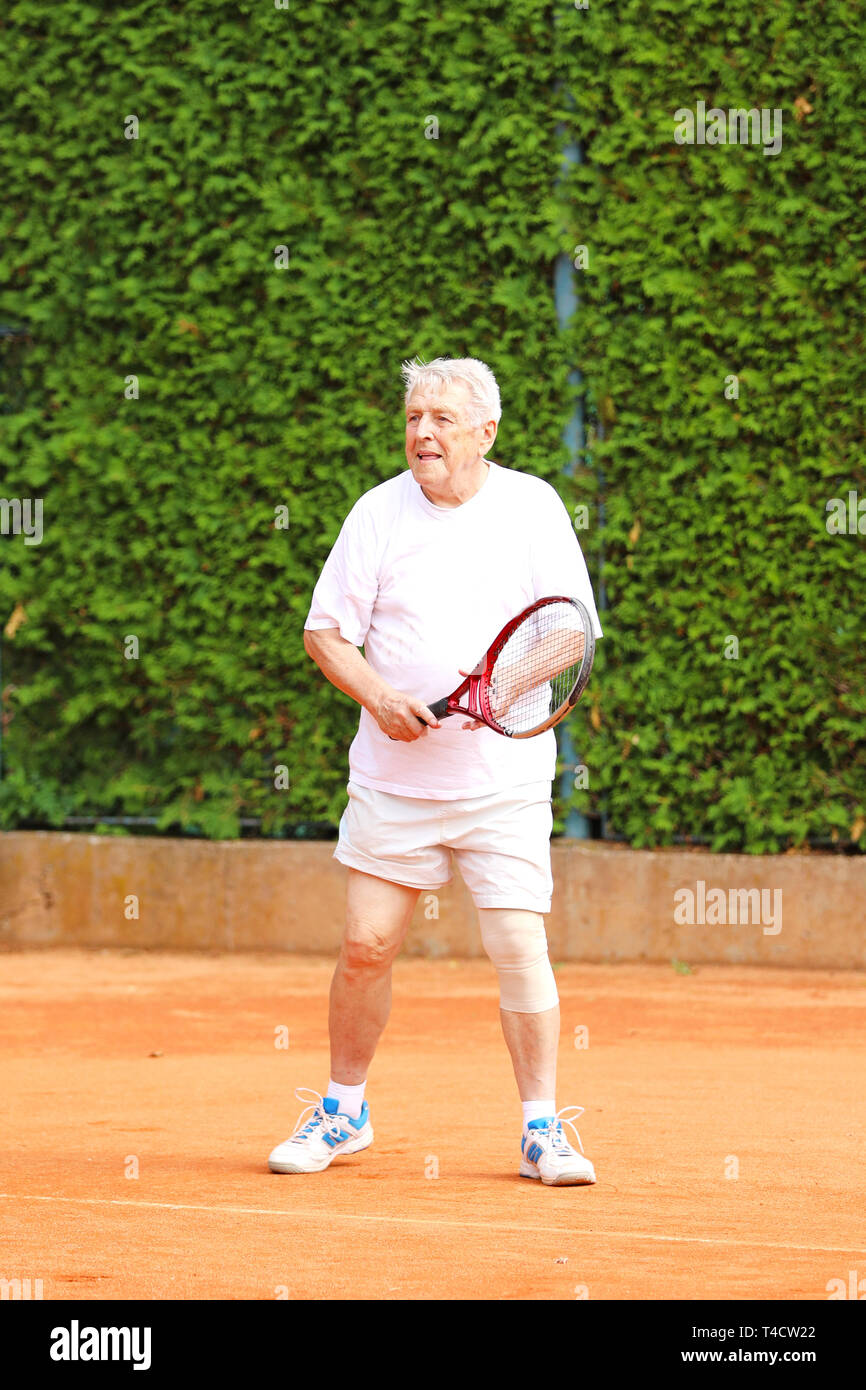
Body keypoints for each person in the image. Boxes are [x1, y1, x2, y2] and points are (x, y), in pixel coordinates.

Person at [268, 357, 603, 1185]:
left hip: (504, 783)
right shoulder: (376, 514)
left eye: (444, 419)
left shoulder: (533, 508)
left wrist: (493, 692)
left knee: (518, 944)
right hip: (394, 782)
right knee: (365, 943)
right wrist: (380, 698)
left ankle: (540, 1131)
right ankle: (344, 1111)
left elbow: (570, 634)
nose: (423, 432)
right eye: (415, 416)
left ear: (486, 431)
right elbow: (325, 632)